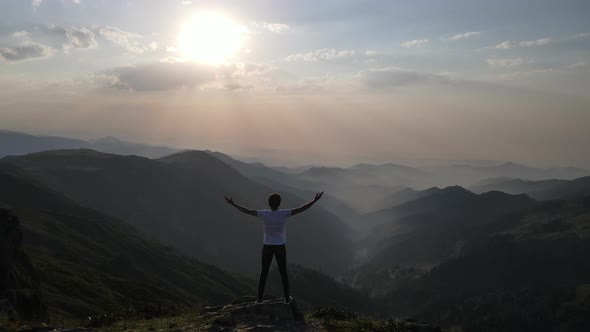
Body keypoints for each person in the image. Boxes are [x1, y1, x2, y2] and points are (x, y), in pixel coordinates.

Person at [224, 191, 324, 304]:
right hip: (280, 246)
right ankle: (286, 299)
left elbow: (247, 211)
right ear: (279, 203)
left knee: (264, 272)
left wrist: (233, 204)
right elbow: (301, 208)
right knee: (283, 272)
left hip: (267, 246)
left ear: (269, 203)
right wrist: (315, 200)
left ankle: (259, 299)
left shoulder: (264, 214)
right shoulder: (283, 213)